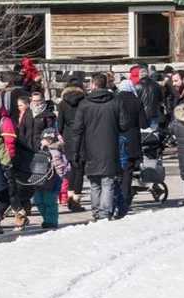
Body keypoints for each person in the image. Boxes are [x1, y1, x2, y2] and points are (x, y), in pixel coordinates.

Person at [67, 74, 128, 222]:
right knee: (107, 181)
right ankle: (104, 212)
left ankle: (97, 211)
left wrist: (74, 150)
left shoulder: (85, 104)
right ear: (106, 84)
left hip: (90, 147)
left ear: (93, 85)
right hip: (110, 146)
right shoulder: (115, 101)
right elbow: (124, 125)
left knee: (95, 182)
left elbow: (77, 129)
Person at [13, 92, 55, 229]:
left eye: (39, 101)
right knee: (27, 186)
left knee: (43, 186)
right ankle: (23, 213)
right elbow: (22, 131)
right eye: (34, 100)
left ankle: (50, 219)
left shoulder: (48, 115)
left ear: (43, 100)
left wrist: (46, 141)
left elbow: (51, 132)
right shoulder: (28, 113)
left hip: (41, 154)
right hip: (26, 153)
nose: (36, 103)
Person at [115, 80, 147, 218]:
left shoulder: (114, 100)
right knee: (128, 171)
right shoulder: (136, 101)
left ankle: (116, 199)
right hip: (133, 140)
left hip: (117, 139)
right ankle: (125, 199)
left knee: (118, 171)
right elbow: (144, 123)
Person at [56, 75, 88, 211]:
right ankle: (76, 200)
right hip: (82, 136)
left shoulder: (62, 103)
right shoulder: (85, 102)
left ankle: (69, 195)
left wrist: (63, 136)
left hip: (68, 136)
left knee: (71, 166)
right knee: (80, 168)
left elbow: (60, 124)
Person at [34, 127, 67, 229]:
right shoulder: (39, 150)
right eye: (45, 139)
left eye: (49, 139)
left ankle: (51, 221)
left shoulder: (56, 150)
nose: (46, 141)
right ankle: (46, 218)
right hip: (40, 179)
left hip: (53, 180)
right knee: (38, 200)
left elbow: (62, 165)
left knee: (50, 201)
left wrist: (60, 175)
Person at [134, 64, 164, 128]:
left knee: (143, 136)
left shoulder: (136, 86)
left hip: (142, 115)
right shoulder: (156, 85)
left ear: (140, 75)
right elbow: (161, 99)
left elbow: (134, 102)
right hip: (154, 114)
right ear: (147, 74)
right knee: (154, 135)